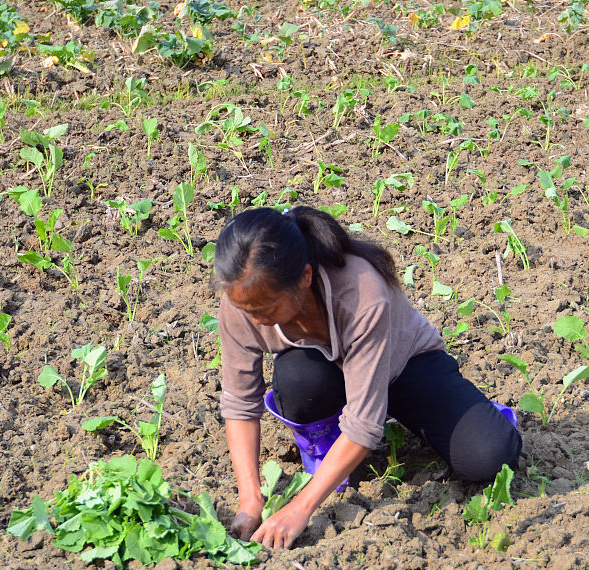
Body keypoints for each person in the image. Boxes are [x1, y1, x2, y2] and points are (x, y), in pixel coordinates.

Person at [214, 206, 521, 549]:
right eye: (246, 310)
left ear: (304, 277)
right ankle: (326, 441)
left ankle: (479, 413)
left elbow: (364, 422)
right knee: (299, 380)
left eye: (266, 308)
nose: (254, 320)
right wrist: (250, 501)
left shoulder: (361, 293)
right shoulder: (243, 300)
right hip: (325, 374)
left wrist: (299, 508)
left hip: (403, 366)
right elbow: (241, 402)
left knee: (489, 456)